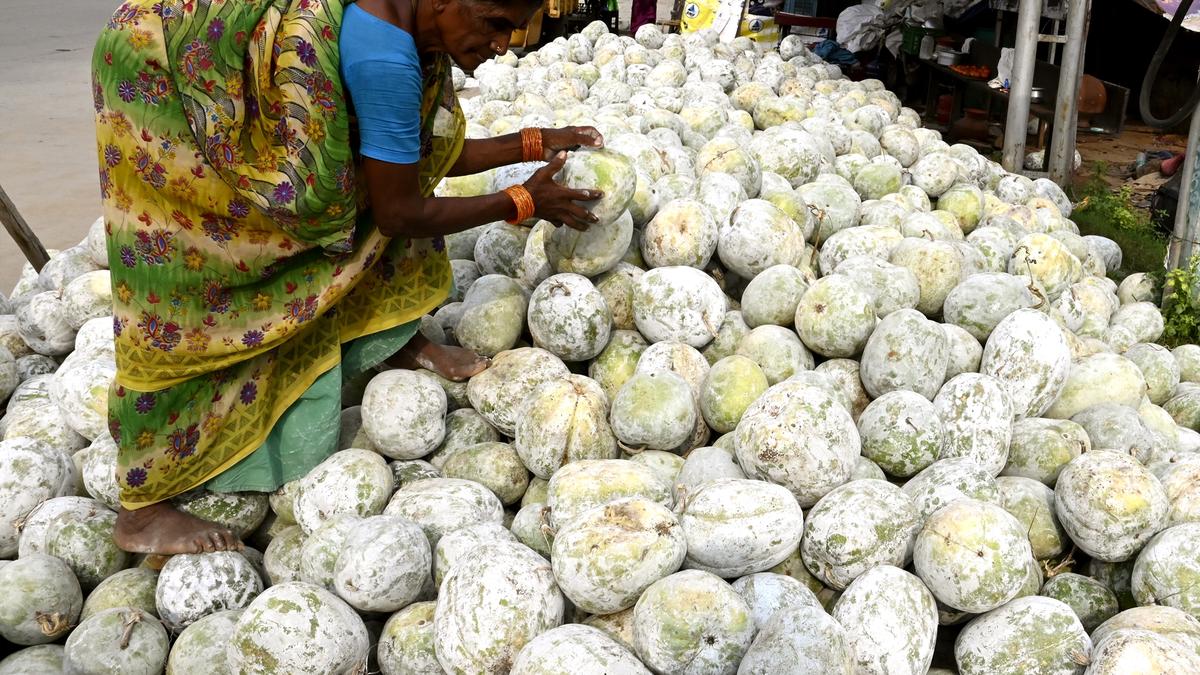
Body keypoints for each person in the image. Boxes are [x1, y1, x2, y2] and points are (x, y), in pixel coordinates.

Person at [93, 0, 603, 555]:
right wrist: (525, 199)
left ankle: (389, 337)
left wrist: (532, 141)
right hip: (159, 67)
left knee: (358, 197)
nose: (505, 43)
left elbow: (401, 152)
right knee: (186, 266)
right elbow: (400, 211)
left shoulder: (410, 29)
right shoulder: (385, 57)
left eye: (516, 27)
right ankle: (140, 511)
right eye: (496, 22)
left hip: (209, 59)